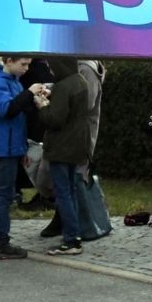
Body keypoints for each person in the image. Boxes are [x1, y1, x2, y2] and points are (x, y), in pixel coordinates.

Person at [0, 56, 49, 260]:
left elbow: (20, 109)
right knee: (4, 195)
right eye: (23, 64)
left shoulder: (14, 82)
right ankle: (0, 242)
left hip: (11, 146)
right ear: (8, 62)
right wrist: (29, 93)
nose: (27, 68)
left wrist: (35, 99)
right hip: (4, 146)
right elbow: (7, 110)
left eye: (28, 64)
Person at [36, 58, 93, 255]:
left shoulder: (63, 86)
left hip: (61, 147)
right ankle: (75, 235)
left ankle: (71, 239)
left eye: (52, 66)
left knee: (63, 194)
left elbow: (54, 119)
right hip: (77, 145)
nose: (51, 70)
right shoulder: (80, 81)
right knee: (71, 190)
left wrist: (42, 105)